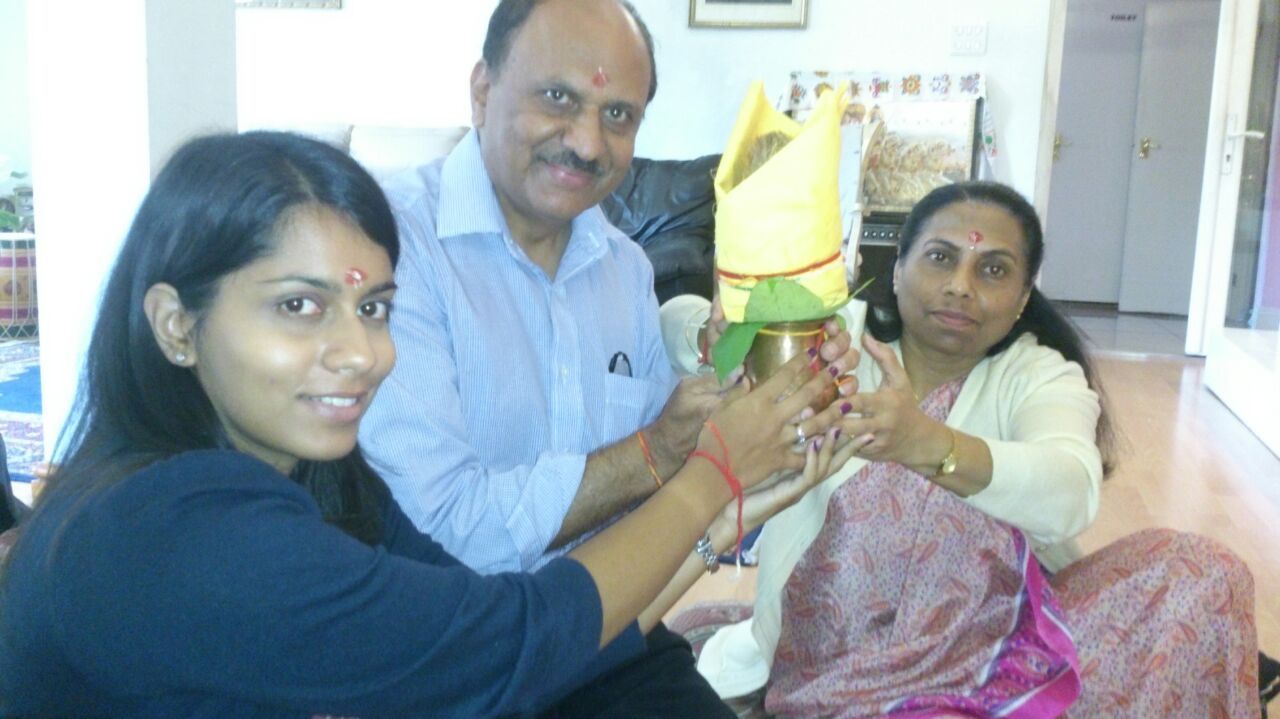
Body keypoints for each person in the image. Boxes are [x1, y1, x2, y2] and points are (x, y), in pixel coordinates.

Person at [0, 131, 854, 717]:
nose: (361, 352)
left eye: (374, 307)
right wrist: (710, 475)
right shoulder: (174, 526)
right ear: (176, 324)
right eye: (298, 305)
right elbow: (510, 645)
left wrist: (727, 509)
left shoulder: (319, 476)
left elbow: (508, 638)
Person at [357, 0, 861, 714]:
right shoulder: (390, 248)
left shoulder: (623, 266)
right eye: (558, 98)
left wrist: (753, 387)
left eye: (619, 115)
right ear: (482, 91)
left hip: (613, 622)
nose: (589, 143)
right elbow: (450, 532)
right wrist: (659, 452)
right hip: (456, 660)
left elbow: (667, 478)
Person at [685, 181, 1262, 717]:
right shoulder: (836, 340)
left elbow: (1070, 488)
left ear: (1022, 296)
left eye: (993, 269)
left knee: (1205, 574)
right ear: (897, 270)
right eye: (940, 257)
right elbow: (676, 321)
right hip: (826, 663)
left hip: (994, 654)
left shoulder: (1037, 374)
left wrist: (928, 444)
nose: (961, 285)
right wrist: (714, 335)